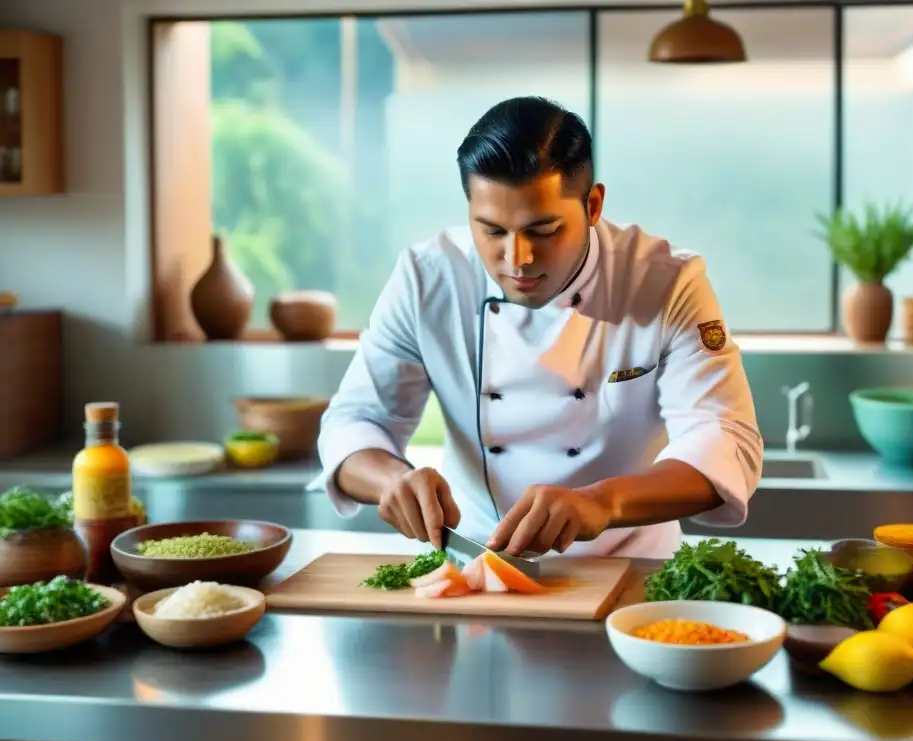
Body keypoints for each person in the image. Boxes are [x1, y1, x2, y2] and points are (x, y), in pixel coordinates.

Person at [315, 96, 762, 559]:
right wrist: (392, 480)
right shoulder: (427, 279)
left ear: (592, 205)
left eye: (544, 231)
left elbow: (726, 440)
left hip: (633, 567)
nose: (517, 259)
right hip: (480, 565)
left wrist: (602, 502)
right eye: (491, 231)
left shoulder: (666, 283)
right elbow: (355, 421)